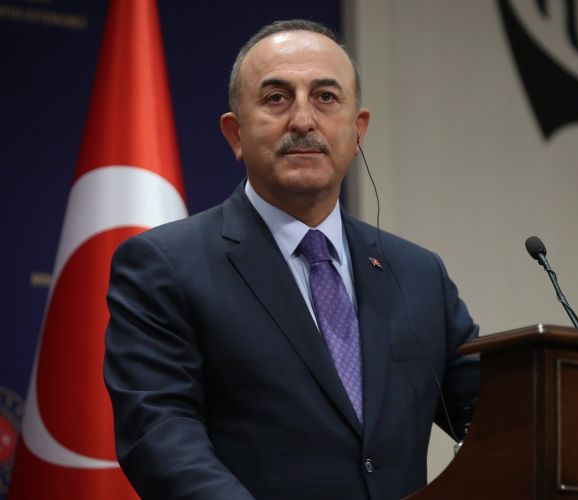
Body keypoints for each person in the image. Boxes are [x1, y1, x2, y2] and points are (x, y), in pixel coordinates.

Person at [104, 19, 479, 500]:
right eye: (277, 98)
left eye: (325, 97)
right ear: (235, 134)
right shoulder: (164, 265)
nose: (303, 120)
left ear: (358, 130)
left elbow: (500, 417)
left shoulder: (418, 274)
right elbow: (160, 436)